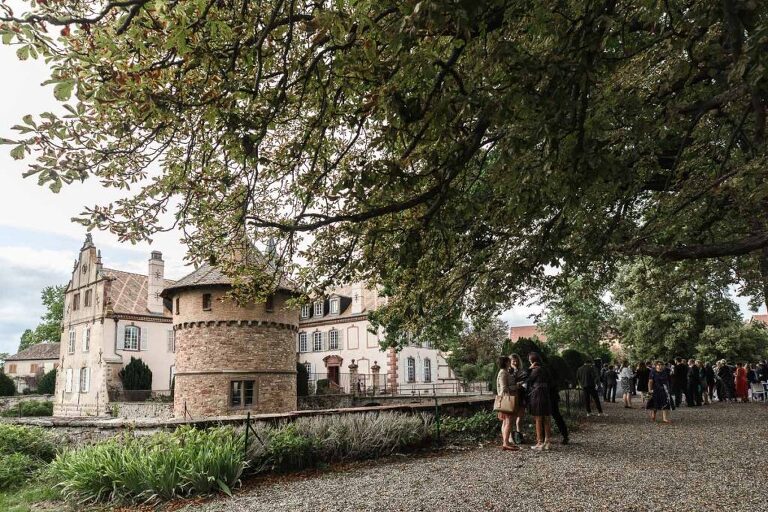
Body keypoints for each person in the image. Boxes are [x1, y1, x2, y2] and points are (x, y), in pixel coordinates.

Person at [526, 352, 552, 450]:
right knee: (546, 418)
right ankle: (547, 442)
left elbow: (527, 380)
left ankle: (539, 442)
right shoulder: (545, 369)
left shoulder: (536, 370)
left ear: (532, 360)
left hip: (537, 395)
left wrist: (529, 369)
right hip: (545, 394)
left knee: (538, 418)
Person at [495, 356, 520, 451]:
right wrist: (515, 387)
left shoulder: (505, 372)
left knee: (506, 421)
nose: (510, 362)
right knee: (508, 421)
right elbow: (504, 388)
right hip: (506, 400)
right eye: (509, 361)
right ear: (505, 362)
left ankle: (506, 441)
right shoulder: (503, 373)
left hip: (506, 399)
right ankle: (505, 442)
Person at [546, 356, 569, 445]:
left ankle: (546, 437)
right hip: (552, 396)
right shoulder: (552, 371)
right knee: (556, 416)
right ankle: (564, 435)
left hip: (549, 396)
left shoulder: (546, 370)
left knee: (552, 416)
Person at [509, 353, 528, 445]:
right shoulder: (508, 371)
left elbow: (525, 381)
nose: (515, 363)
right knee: (511, 418)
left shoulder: (522, 371)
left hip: (521, 396)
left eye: (516, 361)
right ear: (510, 362)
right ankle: (510, 437)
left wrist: (521, 385)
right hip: (512, 396)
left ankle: (519, 436)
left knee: (520, 417)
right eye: (513, 361)